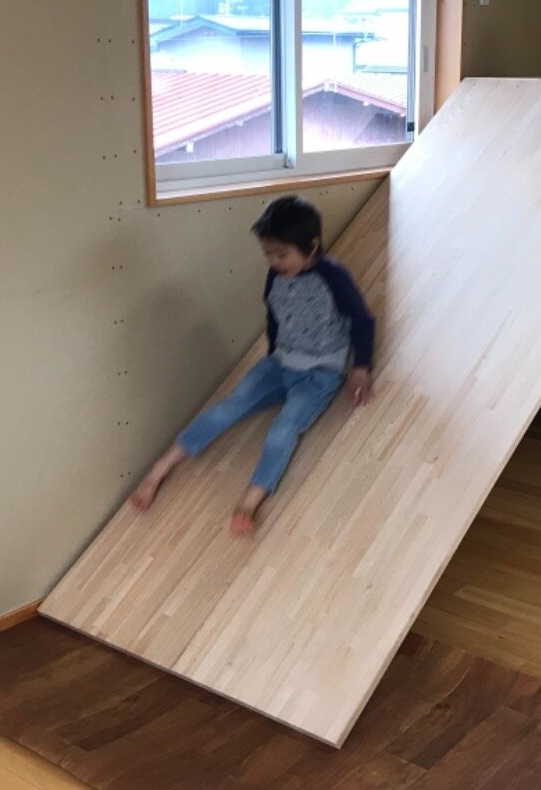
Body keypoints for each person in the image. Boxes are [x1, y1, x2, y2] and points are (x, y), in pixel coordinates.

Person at [129, 195, 375, 535]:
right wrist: (273, 356)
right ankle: (160, 470)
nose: (274, 262)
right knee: (227, 409)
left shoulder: (334, 277)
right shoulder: (275, 276)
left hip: (319, 374)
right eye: (268, 254)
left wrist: (361, 366)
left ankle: (250, 500)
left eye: (282, 254)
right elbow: (274, 316)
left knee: (283, 429)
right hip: (280, 363)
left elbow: (363, 320)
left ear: (311, 246)